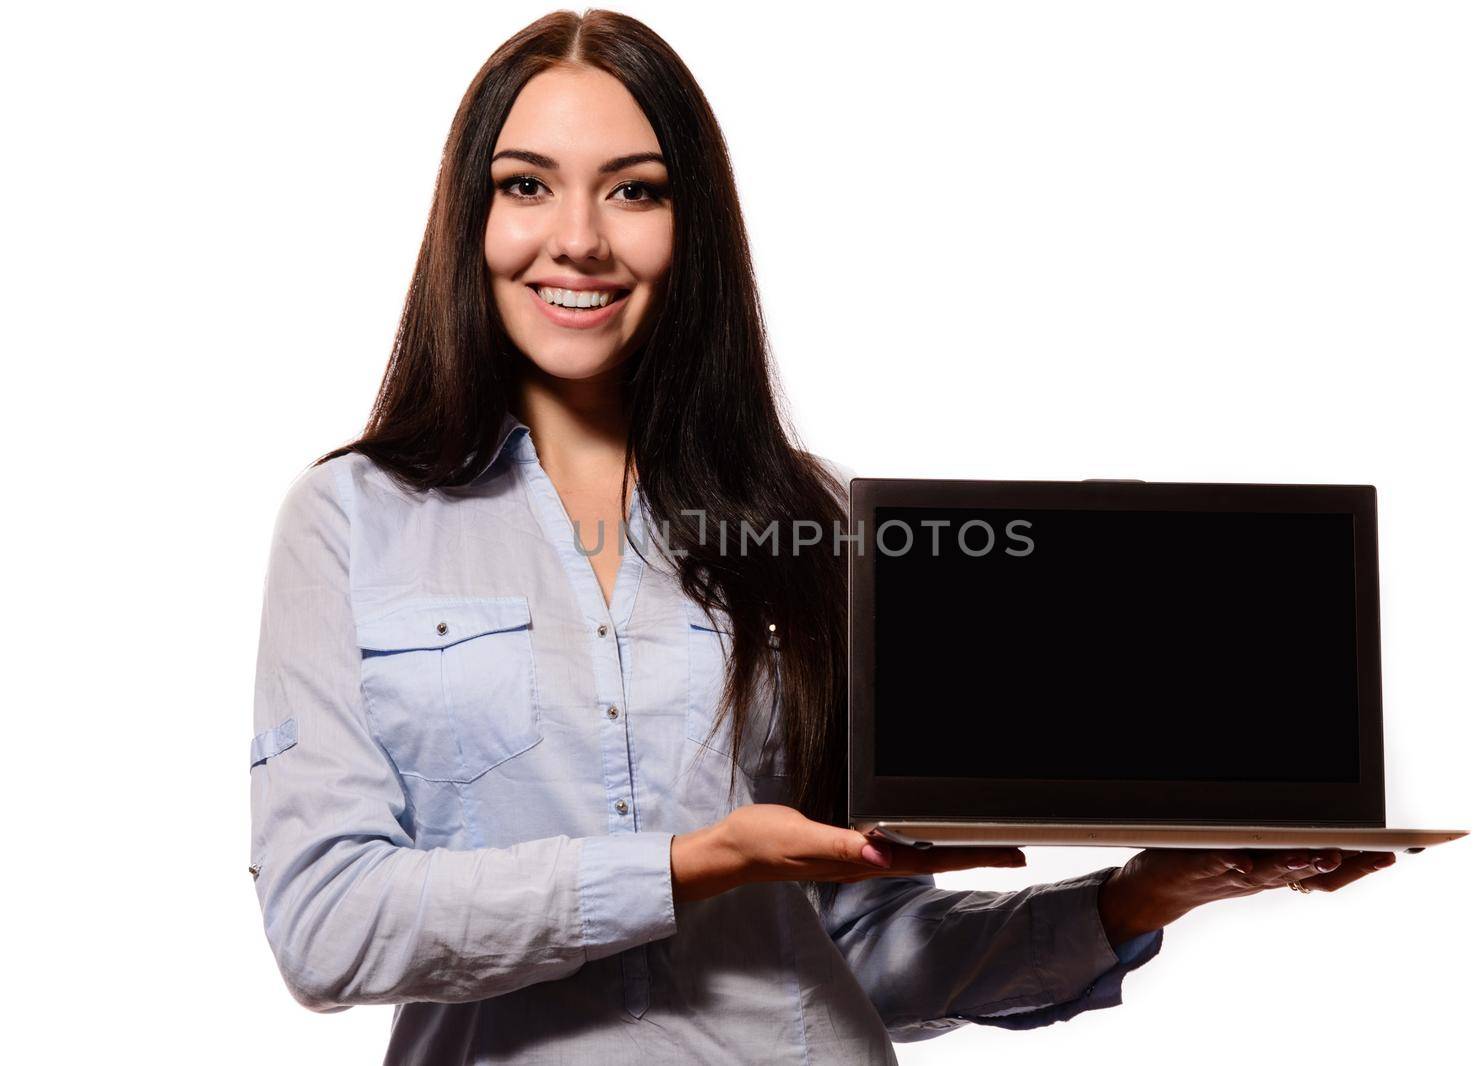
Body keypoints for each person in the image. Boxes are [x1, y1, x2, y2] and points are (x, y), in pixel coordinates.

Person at [246, 10, 1397, 1064]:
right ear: (469, 215)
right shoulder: (353, 520)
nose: (580, 239)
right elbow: (328, 927)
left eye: (635, 190)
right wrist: (698, 864)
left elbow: (857, 940)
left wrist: (1136, 898)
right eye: (527, 184)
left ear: (692, 225)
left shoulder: (816, 518)